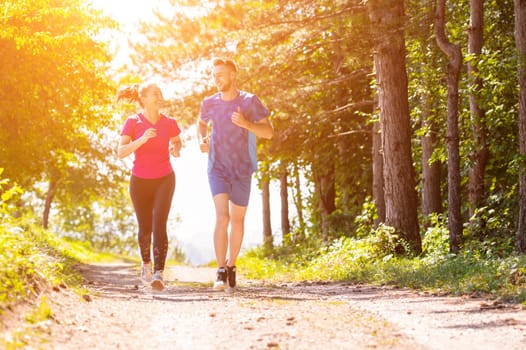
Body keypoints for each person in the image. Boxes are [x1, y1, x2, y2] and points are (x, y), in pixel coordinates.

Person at [197, 58, 274, 292]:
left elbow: (269, 132)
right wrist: (202, 139)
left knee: (237, 220)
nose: (216, 79)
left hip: (242, 168)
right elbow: (201, 124)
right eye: (214, 75)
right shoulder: (209, 102)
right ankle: (220, 271)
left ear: (233, 75)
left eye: (221, 74)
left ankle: (232, 266)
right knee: (222, 217)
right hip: (217, 167)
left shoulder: (250, 101)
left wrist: (246, 123)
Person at [116, 81, 182, 291]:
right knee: (145, 227)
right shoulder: (133, 122)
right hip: (140, 181)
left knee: (159, 224)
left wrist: (175, 148)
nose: (158, 96)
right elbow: (121, 151)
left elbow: (177, 140)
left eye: (160, 93)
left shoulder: (169, 122)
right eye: (154, 93)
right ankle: (146, 265)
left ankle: (159, 273)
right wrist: (142, 139)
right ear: (143, 98)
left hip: (165, 178)